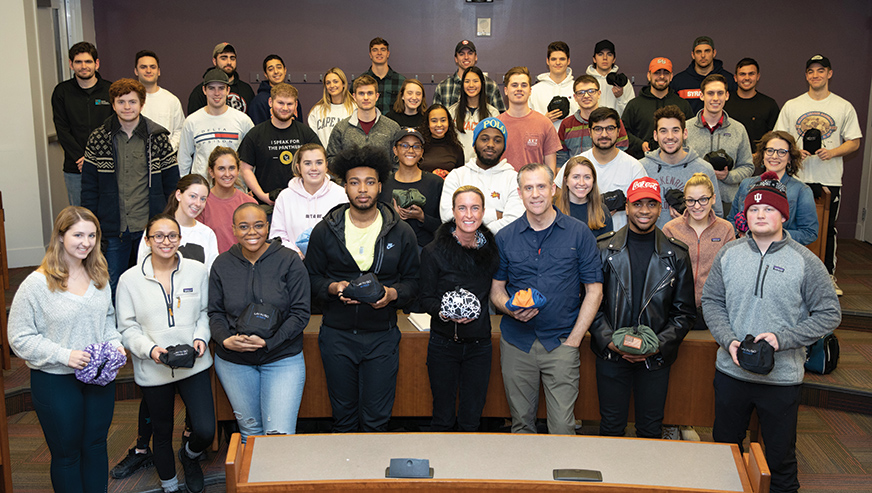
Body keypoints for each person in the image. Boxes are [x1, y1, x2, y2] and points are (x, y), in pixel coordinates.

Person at [702, 174, 841, 493]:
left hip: (782, 379)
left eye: (768, 210)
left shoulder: (806, 262)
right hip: (731, 372)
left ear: (782, 215)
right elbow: (711, 300)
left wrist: (783, 338)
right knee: (724, 453)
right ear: (745, 215)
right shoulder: (728, 254)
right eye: (753, 210)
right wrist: (728, 339)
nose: (760, 215)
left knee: (779, 461)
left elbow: (830, 314)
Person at [304, 145, 420, 432]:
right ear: (345, 187)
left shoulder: (400, 230)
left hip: (381, 337)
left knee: (376, 420)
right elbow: (310, 279)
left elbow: (414, 282)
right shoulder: (326, 229)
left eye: (369, 182)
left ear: (380, 186)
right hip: (337, 336)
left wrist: (392, 294)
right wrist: (333, 288)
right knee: (343, 419)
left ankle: (372, 476)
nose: (362, 189)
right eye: (354, 182)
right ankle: (347, 475)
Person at [8, 206, 123, 493]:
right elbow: (19, 337)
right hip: (55, 381)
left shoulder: (99, 276)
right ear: (60, 237)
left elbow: (107, 321)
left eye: (92, 235)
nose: (86, 242)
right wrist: (65, 355)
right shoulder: (37, 284)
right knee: (67, 455)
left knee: (96, 446)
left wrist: (116, 345)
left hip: (98, 378)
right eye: (78, 235)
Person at [115, 174, 217, 480]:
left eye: (171, 236)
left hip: (195, 363)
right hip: (153, 366)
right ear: (147, 240)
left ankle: (189, 455)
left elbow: (205, 312)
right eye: (157, 236)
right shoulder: (130, 280)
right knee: (161, 431)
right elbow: (127, 326)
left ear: (180, 240)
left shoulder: (197, 272)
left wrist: (201, 338)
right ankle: (169, 484)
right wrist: (151, 350)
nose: (165, 242)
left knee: (205, 428)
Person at [491, 162, 603, 435]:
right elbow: (496, 290)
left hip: (562, 342)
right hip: (517, 343)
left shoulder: (579, 234)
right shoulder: (505, 237)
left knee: (563, 427)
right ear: (519, 193)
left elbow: (595, 290)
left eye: (541, 186)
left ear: (553, 189)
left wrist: (575, 339)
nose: (535, 194)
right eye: (528, 188)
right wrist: (509, 308)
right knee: (521, 426)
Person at [590, 177, 696, 439]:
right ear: (627, 207)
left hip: (656, 359)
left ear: (660, 209)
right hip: (612, 356)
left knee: (650, 429)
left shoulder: (677, 255)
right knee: (611, 426)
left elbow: (684, 313)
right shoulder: (603, 249)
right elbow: (591, 304)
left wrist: (655, 345)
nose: (645, 211)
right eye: (638, 204)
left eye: (651, 204)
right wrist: (609, 341)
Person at [209, 203, 311, 442]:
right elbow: (214, 312)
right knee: (250, 433)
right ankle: (253, 481)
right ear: (233, 229)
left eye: (258, 226)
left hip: (282, 358)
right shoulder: (222, 264)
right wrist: (225, 340)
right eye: (243, 227)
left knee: (278, 436)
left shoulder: (289, 261)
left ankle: (276, 480)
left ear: (268, 227)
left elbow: (300, 313)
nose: (251, 232)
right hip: (234, 361)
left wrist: (269, 342)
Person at [81, 78, 179, 296]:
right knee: (112, 283)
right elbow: (89, 186)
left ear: (141, 104)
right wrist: (90, 221)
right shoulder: (98, 138)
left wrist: (169, 217)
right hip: (113, 227)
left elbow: (172, 182)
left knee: (150, 283)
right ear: (113, 104)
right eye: (121, 102)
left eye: (132, 102)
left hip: (150, 227)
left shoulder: (158, 138)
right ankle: (114, 328)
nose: (127, 107)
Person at [775, 54, 863, 295]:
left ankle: (827, 277)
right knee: (788, 225)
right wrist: (793, 151)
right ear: (806, 75)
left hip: (829, 178)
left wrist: (833, 152)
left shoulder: (843, 106)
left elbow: (854, 141)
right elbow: (779, 137)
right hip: (795, 179)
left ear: (829, 73)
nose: (816, 75)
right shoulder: (793, 105)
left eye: (821, 70)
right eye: (811, 71)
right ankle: (788, 275)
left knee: (827, 229)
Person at [419, 185, 500, 431]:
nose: (468, 215)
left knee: (471, 419)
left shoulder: (492, 250)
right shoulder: (433, 252)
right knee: (442, 417)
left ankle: (468, 467)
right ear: (453, 212)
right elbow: (425, 298)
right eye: (462, 208)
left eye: (475, 208)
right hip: (443, 344)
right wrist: (444, 313)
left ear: (484, 211)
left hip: (479, 346)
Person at [662, 173, 734, 330]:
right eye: (690, 200)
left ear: (713, 199)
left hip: (713, 310)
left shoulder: (726, 229)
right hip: (677, 310)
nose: (696, 206)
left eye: (703, 199)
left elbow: (731, 273)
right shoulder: (671, 229)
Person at [556, 107, 647, 231]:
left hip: (619, 242)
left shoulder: (634, 167)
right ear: (590, 131)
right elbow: (558, 199)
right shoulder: (576, 164)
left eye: (610, 128)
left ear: (618, 131)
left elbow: (643, 207)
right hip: (577, 237)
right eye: (598, 129)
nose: (604, 134)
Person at [238, 82, 321, 210]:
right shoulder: (256, 134)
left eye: (289, 104)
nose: (285, 108)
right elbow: (245, 169)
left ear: (296, 105)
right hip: (266, 205)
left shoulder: (306, 134)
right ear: (270, 102)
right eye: (280, 103)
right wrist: (262, 196)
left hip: (301, 203)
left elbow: (319, 165)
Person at [51, 41, 113, 207]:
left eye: (88, 61)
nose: (83, 66)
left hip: (106, 166)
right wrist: (81, 158)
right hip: (75, 168)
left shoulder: (111, 90)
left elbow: (115, 128)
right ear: (71, 64)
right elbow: (62, 129)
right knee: (80, 217)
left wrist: (94, 158)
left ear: (97, 63)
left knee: (109, 214)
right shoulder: (62, 92)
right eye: (78, 62)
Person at [728, 131, 818, 245]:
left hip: (782, 253)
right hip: (746, 249)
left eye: (782, 152)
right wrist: (739, 231)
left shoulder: (801, 190)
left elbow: (809, 233)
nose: (774, 156)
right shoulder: (746, 184)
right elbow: (731, 220)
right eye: (770, 150)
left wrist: (773, 236)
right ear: (763, 154)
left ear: (790, 157)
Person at [640, 105, 722, 227]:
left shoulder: (704, 169)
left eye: (675, 130)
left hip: (691, 243)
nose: (670, 136)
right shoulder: (641, 167)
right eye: (663, 131)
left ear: (685, 133)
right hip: (651, 244)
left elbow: (718, 215)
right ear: (655, 136)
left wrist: (693, 219)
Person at [440, 117, 525, 233]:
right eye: (484, 139)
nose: (490, 144)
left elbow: (515, 219)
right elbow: (447, 216)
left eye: (497, 140)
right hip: (461, 248)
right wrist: (496, 214)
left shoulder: (514, 179)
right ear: (474, 144)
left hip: (500, 248)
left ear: (504, 147)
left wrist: (476, 233)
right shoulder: (457, 176)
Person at [685, 74, 754, 217]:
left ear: (727, 96)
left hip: (728, 202)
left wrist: (728, 176)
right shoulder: (686, 128)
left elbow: (748, 167)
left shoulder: (738, 129)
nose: (715, 98)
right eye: (710, 93)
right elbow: (678, 165)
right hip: (694, 203)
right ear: (702, 95)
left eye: (720, 93)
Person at [270, 143, 347, 257]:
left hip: (332, 265)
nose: (314, 168)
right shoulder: (285, 197)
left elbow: (349, 233)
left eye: (319, 163)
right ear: (298, 167)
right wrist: (297, 254)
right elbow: (277, 236)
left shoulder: (341, 195)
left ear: (326, 166)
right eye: (307, 163)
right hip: (295, 264)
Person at [178, 68, 254, 177]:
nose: (217, 93)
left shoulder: (243, 120)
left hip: (235, 188)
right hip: (202, 190)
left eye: (221, 88)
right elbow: (183, 160)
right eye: (212, 88)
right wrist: (184, 187)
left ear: (228, 90)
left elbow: (253, 158)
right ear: (204, 90)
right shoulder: (191, 121)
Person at [136, 174, 219, 270]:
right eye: (193, 196)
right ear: (179, 195)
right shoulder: (156, 228)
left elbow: (211, 272)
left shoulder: (207, 234)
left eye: (203, 199)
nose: (197, 203)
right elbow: (142, 266)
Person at [379, 128, 444, 247]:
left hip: (426, 252)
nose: (410, 150)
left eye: (416, 146)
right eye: (404, 145)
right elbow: (374, 223)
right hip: (392, 250)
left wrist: (422, 217)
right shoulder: (383, 183)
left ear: (422, 152)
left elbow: (444, 225)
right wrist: (393, 217)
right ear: (395, 150)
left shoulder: (435, 183)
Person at [622, 57, 694, 159]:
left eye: (666, 73)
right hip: (643, 162)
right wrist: (640, 144)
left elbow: (691, 132)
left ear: (671, 76)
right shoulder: (635, 105)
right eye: (657, 72)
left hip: (676, 163)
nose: (661, 76)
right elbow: (623, 132)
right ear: (649, 76)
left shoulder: (683, 105)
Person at [556, 74, 630, 167]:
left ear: (599, 94)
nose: (586, 96)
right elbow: (561, 159)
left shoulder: (613, 120)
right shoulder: (566, 124)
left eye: (591, 91)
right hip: (577, 178)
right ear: (575, 97)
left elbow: (622, 150)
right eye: (581, 92)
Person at [498, 66, 561, 173]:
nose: (519, 89)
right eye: (514, 85)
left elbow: (551, 168)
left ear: (530, 90)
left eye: (524, 85)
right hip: (503, 188)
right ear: (506, 90)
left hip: (534, 187)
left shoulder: (545, 123)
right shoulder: (496, 125)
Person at [326, 75, 400, 161]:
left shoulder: (392, 127)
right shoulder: (341, 128)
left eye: (370, 93)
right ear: (354, 97)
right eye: (361, 93)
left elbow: (398, 161)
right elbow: (331, 159)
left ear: (376, 96)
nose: (366, 98)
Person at [197, 147, 257, 253]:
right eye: (221, 168)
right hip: (213, 265)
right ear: (211, 172)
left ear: (238, 170)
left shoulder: (249, 203)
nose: (227, 174)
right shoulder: (201, 203)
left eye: (232, 168)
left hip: (244, 265)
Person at [723, 58, 780, 162]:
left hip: (759, 163)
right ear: (735, 78)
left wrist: (759, 155)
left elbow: (774, 137)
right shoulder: (724, 103)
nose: (747, 78)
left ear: (758, 76)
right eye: (742, 74)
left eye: (751, 74)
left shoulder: (769, 104)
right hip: (729, 162)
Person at [433, 39, 506, 113]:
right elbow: (435, 117)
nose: (466, 57)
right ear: (456, 59)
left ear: (476, 57)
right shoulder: (442, 87)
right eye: (461, 54)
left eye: (470, 53)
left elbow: (501, 118)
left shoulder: (490, 85)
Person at [671, 36, 737, 115]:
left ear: (714, 53)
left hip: (721, 126)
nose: (703, 55)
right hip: (688, 126)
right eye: (698, 52)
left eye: (707, 51)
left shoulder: (727, 79)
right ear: (693, 55)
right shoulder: (679, 81)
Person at [135, 50, 184, 151]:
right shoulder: (129, 101)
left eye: (152, 67)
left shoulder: (171, 100)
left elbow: (180, 130)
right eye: (143, 67)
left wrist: (169, 148)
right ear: (136, 71)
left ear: (159, 71)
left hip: (165, 159)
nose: (148, 71)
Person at [449, 66, 500, 162]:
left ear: (482, 83)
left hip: (483, 166)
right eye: (467, 81)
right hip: (457, 168)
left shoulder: (493, 113)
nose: (471, 85)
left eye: (475, 81)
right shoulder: (451, 112)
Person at [187, 42, 254, 114]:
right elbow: (194, 121)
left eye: (232, 58)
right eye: (223, 58)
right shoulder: (201, 92)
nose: (229, 62)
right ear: (214, 61)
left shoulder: (246, 89)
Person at [555, 156, 613, 237]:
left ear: (593, 181)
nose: (581, 183)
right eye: (576, 177)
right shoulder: (552, 208)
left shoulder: (602, 211)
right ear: (566, 180)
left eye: (587, 177)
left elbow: (606, 247)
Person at [529, 41, 578, 131]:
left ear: (568, 61)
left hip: (573, 143)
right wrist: (544, 121)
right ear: (547, 61)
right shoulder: (534, 91)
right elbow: (526, 124)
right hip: (544, 142)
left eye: (562, 59)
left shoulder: (578, 89)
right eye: (553, 59)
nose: (558, 63)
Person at [248, 54, 303, 125]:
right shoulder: (259, 101)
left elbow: (300, 128)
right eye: (271, 69)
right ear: (265, 74)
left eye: (279, 67)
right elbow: (258, 132)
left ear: (285, 70)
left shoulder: (292, 98)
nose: (276, 71)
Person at [584, 39, 635, 116]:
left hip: (616, 126)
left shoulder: (623, 83)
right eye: (600, 54)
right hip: (593, 126)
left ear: (614, 59)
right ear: (594, 59)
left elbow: (631, 113)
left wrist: (620, 97)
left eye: (609, 54)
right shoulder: (585, 82)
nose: (605, 58)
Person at [307, 67, 356, 146]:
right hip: (324, 157)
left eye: (335, 81)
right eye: (328, 83)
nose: (332, 85)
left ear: (343, 84)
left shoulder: (355, 109)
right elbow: (313, 141)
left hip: (348, 156)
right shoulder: (317, 111)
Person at [363, 37, 406, 115]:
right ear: (370, 55)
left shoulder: (401, 81)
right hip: (367, 126)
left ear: (388, 54)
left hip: (393, 126)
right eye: (375, 50)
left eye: (383, 50)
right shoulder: (360, 82)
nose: (379, 53)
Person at [418, 103, 465, 175]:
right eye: (434, 121)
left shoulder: (456, 148)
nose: (439, 125)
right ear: (427, 123)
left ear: (449, 122)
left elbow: (460, 177)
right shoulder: (419, 146)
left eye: (443, 120)